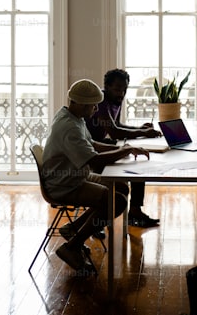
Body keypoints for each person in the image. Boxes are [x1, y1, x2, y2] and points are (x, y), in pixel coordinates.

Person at [41, 79, 149, 272]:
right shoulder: (70, 127)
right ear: (82, 104)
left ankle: (72, 229)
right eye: (94, 105)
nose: (97, 108)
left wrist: (123, 148)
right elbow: (95, 160)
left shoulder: (74, 117)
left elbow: (93, 145)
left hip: (74, 176)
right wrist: (125, 150)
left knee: (122, 186)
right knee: (116, 200)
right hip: (65, 184)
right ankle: (71, 247)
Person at [85, 68, 163, 228]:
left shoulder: (115, 101)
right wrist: (142, 132)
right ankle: (95, 219)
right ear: (106, 86)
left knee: (138, 164)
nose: (121, 93)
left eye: (124, 89)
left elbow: (117, 125)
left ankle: (134, 210)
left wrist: (139, 128)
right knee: (132, 160)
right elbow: (114, 132)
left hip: (101, 142)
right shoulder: (101, 101)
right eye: (117, 89)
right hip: (90, 149)